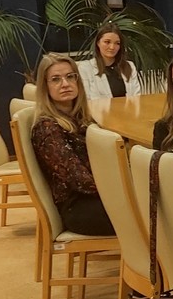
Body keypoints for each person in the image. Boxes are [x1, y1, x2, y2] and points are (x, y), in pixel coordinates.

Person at [29, 53, 114, 236]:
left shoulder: (82, 119)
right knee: (148, 212)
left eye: (70, 77)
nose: (65, 84)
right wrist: (122, 190)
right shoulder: (47, 128)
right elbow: (80, 180)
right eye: (56, 79)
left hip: (99, 197)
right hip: (78, 207)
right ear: (45, 87)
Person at [77, 24, 141, 99]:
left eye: (117, 43)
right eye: (107, 42)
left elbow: (137, 97)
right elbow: (86, 100)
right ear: (98, 43)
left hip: (129, 106)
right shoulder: (86, 68)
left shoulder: (129, 66)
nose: (112, 47)